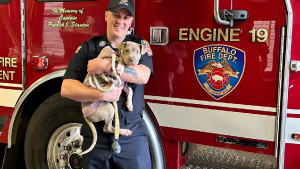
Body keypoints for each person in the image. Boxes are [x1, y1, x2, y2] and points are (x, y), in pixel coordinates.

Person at [60, 0, 153, 168]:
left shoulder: (139, 46)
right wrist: (101, 95)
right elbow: (66, 88)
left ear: (131, 21)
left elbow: (144, 75)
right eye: (116, 15)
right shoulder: (89, 48)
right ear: (106, 16)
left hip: (131, 135)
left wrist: (105, 66)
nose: (120, 21)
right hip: (96, 135)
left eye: (126, 17)